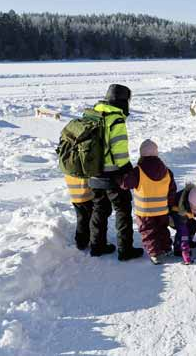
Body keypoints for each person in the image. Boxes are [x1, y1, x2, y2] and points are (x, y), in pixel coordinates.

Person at [87, 84, 143, 261]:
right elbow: (119, 153)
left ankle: (97, 246)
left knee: (99, 209)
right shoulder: (115, 119)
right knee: (123, 210)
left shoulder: (94, 114)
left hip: (92, 172)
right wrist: (128, 170)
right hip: (112, 175)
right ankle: (125, 250)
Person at [119, 140, 177, 265]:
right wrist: (169, 205)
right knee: (162, 229)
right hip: (162, 209)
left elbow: (125, 184)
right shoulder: (167, 171)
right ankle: (166, 248)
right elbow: (172, 190)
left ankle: (154, 253)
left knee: (149, 232)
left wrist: (120, 177)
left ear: (141, 154)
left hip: (145, 211)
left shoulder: (138, 171)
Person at [169, 185, 196, 265]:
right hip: (172, 216)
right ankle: (178, 249)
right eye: (194, 209)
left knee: (193, 225)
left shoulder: (195, 197)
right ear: (189, 203)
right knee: (183, 231)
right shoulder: (181, 205)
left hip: (184, 213)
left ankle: (189, 241)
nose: (195, 211)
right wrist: (186, 256)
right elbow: (183, 233)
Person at [64, 174, 94, 250]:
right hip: (86, 193)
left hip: (73, 192)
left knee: (81, 218)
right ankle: (87, 241)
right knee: (89, 218)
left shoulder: (67, 161)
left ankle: (81, 242)